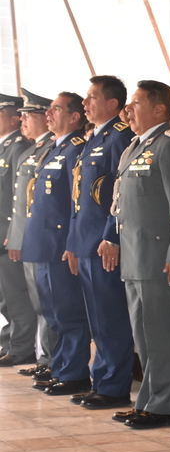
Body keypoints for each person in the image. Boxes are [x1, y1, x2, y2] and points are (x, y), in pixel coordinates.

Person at [109, 80, 170, 428]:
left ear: (159, 109)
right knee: (144, 335)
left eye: (137, 103)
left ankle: (161, 406)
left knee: (162, 335)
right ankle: (147, 400)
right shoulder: (135, 146)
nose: (129, 109)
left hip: (158, 256)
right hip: (134, 255)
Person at [66, 76, 136, 411]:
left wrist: (112, 235)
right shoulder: (94, 137)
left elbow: (119, 194)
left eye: (92, 97)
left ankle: (114, 387)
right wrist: (74, 241)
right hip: (87, 241)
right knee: (97, 319)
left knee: (111, 319)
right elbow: (80, 197)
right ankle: (101, 381)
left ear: (112, 103)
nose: (85, 103)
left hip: (104, 243)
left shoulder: (120, 136)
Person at [22, 93, 91, 396]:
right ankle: (61, 368)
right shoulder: (55, 147)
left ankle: (74, 374)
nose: (48, 113)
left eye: (56, 109)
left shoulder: (76, 148)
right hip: (44, 243)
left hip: (61, 244)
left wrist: (72, 241)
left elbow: (77, 202)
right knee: (54, 314)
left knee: (69, 313)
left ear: (74, 117)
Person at [5, 90, 57, 379]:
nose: (22, 119)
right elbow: (20, 202)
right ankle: (45, 358)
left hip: (42, 240)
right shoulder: (31, 151)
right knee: (38, 301)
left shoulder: (51, 149)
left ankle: (50, 359)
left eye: (28, 115)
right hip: (27, 239)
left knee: (47, 302)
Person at [0, 93, 34, 367]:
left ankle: (21, 347)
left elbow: (18, 198)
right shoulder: (4, 147)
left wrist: (14, 234)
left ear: (14, 119)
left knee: (16, 296)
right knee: (5, 298)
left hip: (7, 234)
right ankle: (9, 342)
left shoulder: (18, 147)